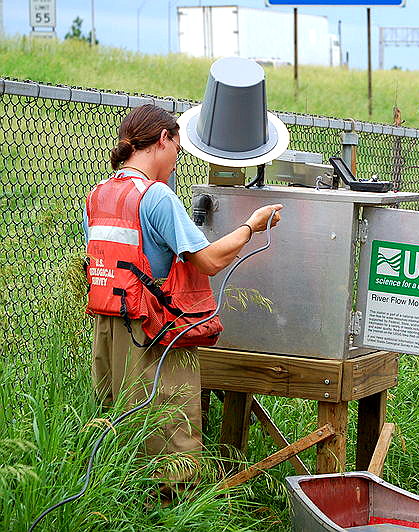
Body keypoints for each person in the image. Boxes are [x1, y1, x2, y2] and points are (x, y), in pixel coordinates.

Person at [84, 104, 283, 490]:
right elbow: (208, 261)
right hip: (151, 335)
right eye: (177, 148)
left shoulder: (99, 195)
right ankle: (171, 515)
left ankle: (120, 507)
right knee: (170, 443)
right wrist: (250, 227)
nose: (177, 161)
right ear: (163, 140)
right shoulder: (155, 196)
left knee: (120, 434)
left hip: (107, 333)